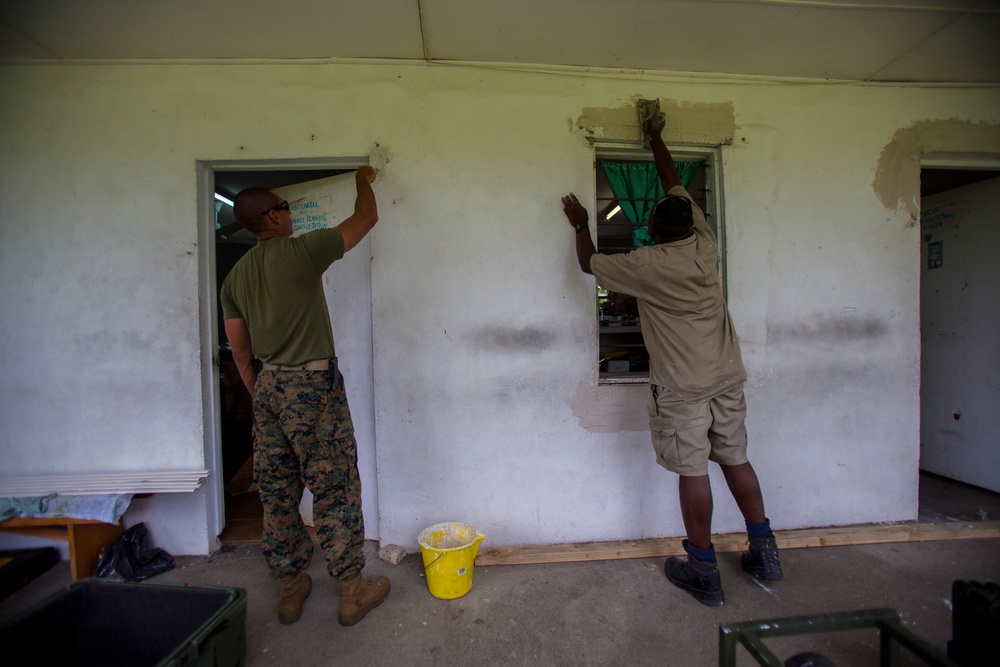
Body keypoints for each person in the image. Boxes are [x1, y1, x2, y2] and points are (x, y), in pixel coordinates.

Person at [559, 107, 782, 607]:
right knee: (737, 457)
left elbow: (587, 263)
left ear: (654, 230)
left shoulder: (647, 264)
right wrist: (657, 136)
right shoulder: (705, 242)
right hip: (727, 376)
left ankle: (703, 569)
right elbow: (671, 178)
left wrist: (579, 224)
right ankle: (765, 550)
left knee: (694, 471)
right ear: (688, 222)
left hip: (683, 386)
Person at [220, 165, 390, 626]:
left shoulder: (234, 279)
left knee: (277, 492)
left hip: (269, 388)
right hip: (313, 387)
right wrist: (362, 181)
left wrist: (264, 395)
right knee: (334, 487)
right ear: (273, 217)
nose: (291, 215)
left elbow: (240, 352)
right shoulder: (302, 251)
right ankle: (353, 591)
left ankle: (291, 588)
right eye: (287, 208)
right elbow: (365, 218)